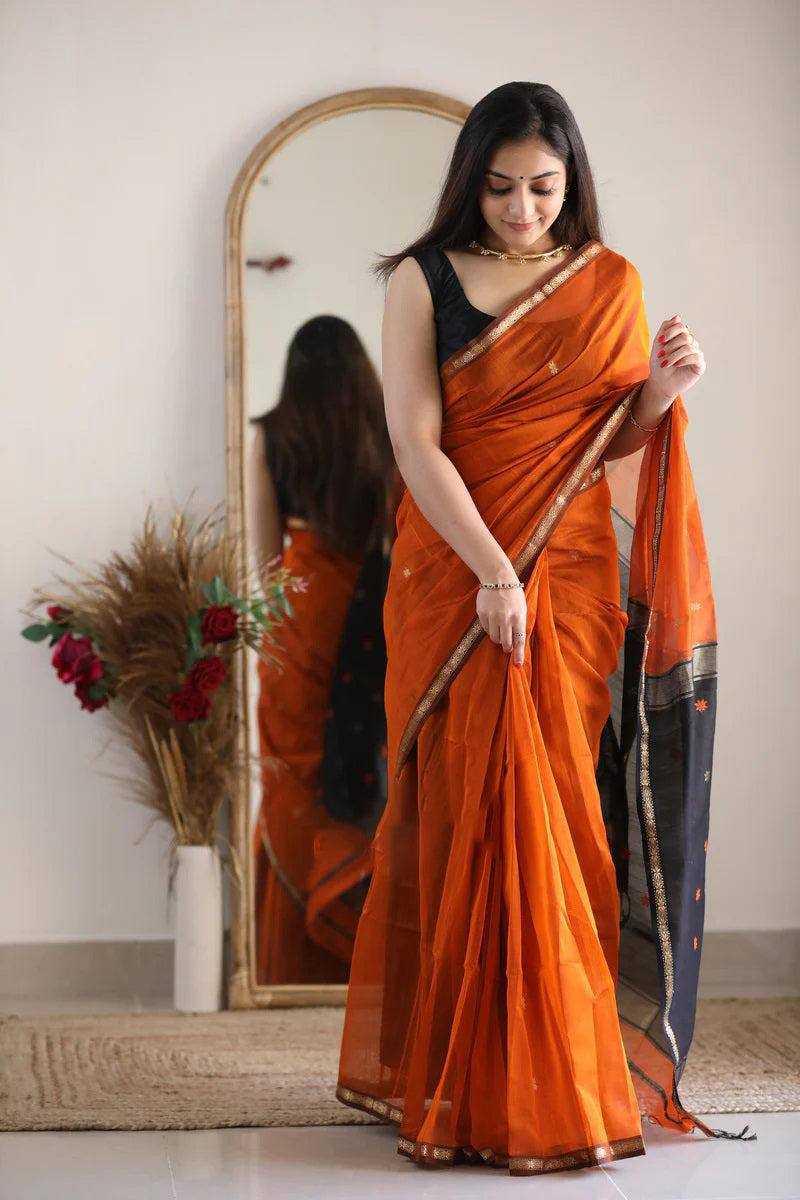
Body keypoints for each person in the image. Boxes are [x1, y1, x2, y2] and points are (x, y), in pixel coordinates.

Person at [335, 82, 755, 1174]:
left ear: (572, 184)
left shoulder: (606, 282)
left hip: (566, 580)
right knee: (464, 808)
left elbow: (604, 444)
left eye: (543, 188)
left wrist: (660, 390)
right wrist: (490, 573)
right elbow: (415, 443)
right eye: (500, 187)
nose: (522, 210)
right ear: (468, 181)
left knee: (561, 807)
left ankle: (555, 1080)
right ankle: (459, 1084)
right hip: (455, 573)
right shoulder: (422, 280)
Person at [248, 315, 400, 985]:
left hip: (300, 610)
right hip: (369, 609)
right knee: (365, 756)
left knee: (292, 776)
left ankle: (291, 957)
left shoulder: (271, 432)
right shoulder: (384, 428)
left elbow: (264, 561)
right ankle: (359, 953)